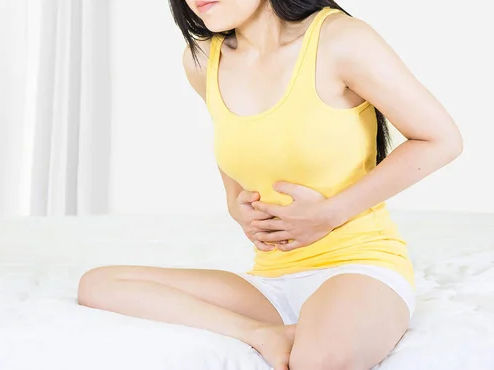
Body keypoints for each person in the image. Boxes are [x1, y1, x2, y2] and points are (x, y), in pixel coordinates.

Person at [77, 1, 463, 369]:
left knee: (318, 360)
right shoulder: (202, 59)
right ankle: (264, 334)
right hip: (271, 282)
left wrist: (328, 214)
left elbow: (440, 139)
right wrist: (235, 202)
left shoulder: (340, 39)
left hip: (358, 265)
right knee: (99, 284)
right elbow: (235, 140)